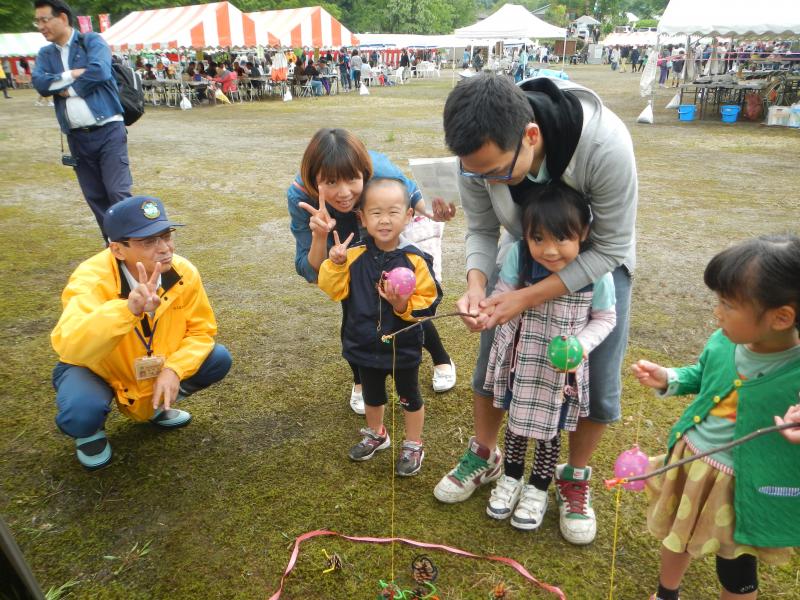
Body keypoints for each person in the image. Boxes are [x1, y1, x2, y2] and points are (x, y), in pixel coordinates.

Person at [435, 73, 636, 547]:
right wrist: (478, 284)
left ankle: (575, 477)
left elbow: (610, 247)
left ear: (530, 136)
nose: (486, 182)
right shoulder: (477, 158)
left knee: (595, 380)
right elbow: (483, 230)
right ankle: (485, 455)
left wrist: (526, 298)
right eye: (474, 173)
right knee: (495, 364)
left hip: (598, 265)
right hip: (516, 260)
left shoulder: (605, 146)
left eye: (497, 173)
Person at [631, 235, 800, 600]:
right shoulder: (723, 342)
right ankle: (666, 592)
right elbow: (702, 375)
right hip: (692, 461)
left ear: (781, 317)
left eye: (727, 303)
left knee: (735, 563)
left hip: (740, 485)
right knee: (679, 535)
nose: (717, 312)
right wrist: (669, 378)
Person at [50, 196, 232, 469]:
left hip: (155, 364)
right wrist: (128, 310)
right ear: (117, 249)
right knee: (81, 411)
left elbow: (201, 331)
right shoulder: (90, 277)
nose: (164, 249)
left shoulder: (184, 272)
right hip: (99, 369)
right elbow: (71, 345)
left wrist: (174, 370)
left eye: (166, 235)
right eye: (148, 242)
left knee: (217, 359)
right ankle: (89, 432)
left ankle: (156, 405)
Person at [287, 128, 457, 416]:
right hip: (333, 232)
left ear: (363, 172)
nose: (343, 192)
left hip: (375, 218)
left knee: (398, 297)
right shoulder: (300, 196)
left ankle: (441, 358)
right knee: (355, 301)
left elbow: (410, 193)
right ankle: (361, 379)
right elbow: (309, 269)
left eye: (352, 179)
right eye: (330, 182)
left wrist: (430, 211)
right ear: (313, 180)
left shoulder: (375, 168)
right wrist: (320, 236)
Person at [484, 184, 616, 532]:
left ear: (583, 233)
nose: (549, 250)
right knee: (515, 421)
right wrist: (488, 309)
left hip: (560, 372)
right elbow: (504, 292)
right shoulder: (518, 256)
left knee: (549, 431)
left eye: (561, 238)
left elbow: (606, 317)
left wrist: (582, 345)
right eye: (538, 238)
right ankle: (511, 478)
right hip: (521, 359)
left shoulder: (595, 271)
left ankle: (538, 489)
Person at [318, 178, 442, 475]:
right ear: (361, 217)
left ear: (409, 216)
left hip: (404, 346)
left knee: (409, 396)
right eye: (375, 213)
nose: (384, 220)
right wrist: (335, 264)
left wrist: (402, 306)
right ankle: (377, 433)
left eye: (393, 212)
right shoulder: (353, 256)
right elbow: (332, 290)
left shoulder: (415, 259)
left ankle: (413, 443)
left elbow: (431, 302)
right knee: (372, 396)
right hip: (363, 343)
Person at [32, 0, 132, 238]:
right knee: (96, 197)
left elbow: (100, 71)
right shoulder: (46, 53)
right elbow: (40, 84)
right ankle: (114, 248)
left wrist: (66, 89)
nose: (41, 27)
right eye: (38, 22)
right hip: (76, 136)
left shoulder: (92, 41)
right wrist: (71, 74)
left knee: (117, 192)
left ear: (63, 18)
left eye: (45, 20)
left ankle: (133, 244)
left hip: (108, 129)